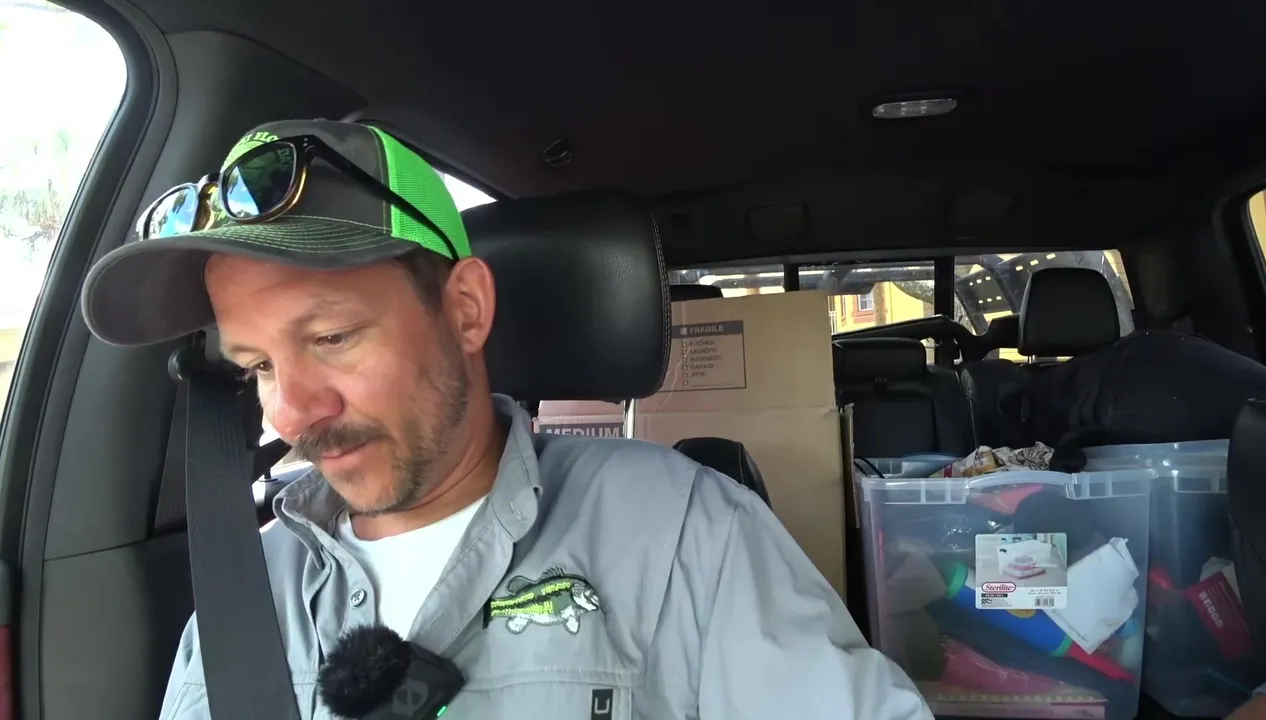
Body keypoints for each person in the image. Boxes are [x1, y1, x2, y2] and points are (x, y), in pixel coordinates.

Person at [80, 119, 933, 719]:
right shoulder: (247, 595)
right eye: (258, 367)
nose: (294, 411)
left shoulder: (683, 536)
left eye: (332, 338)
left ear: (465, 309)